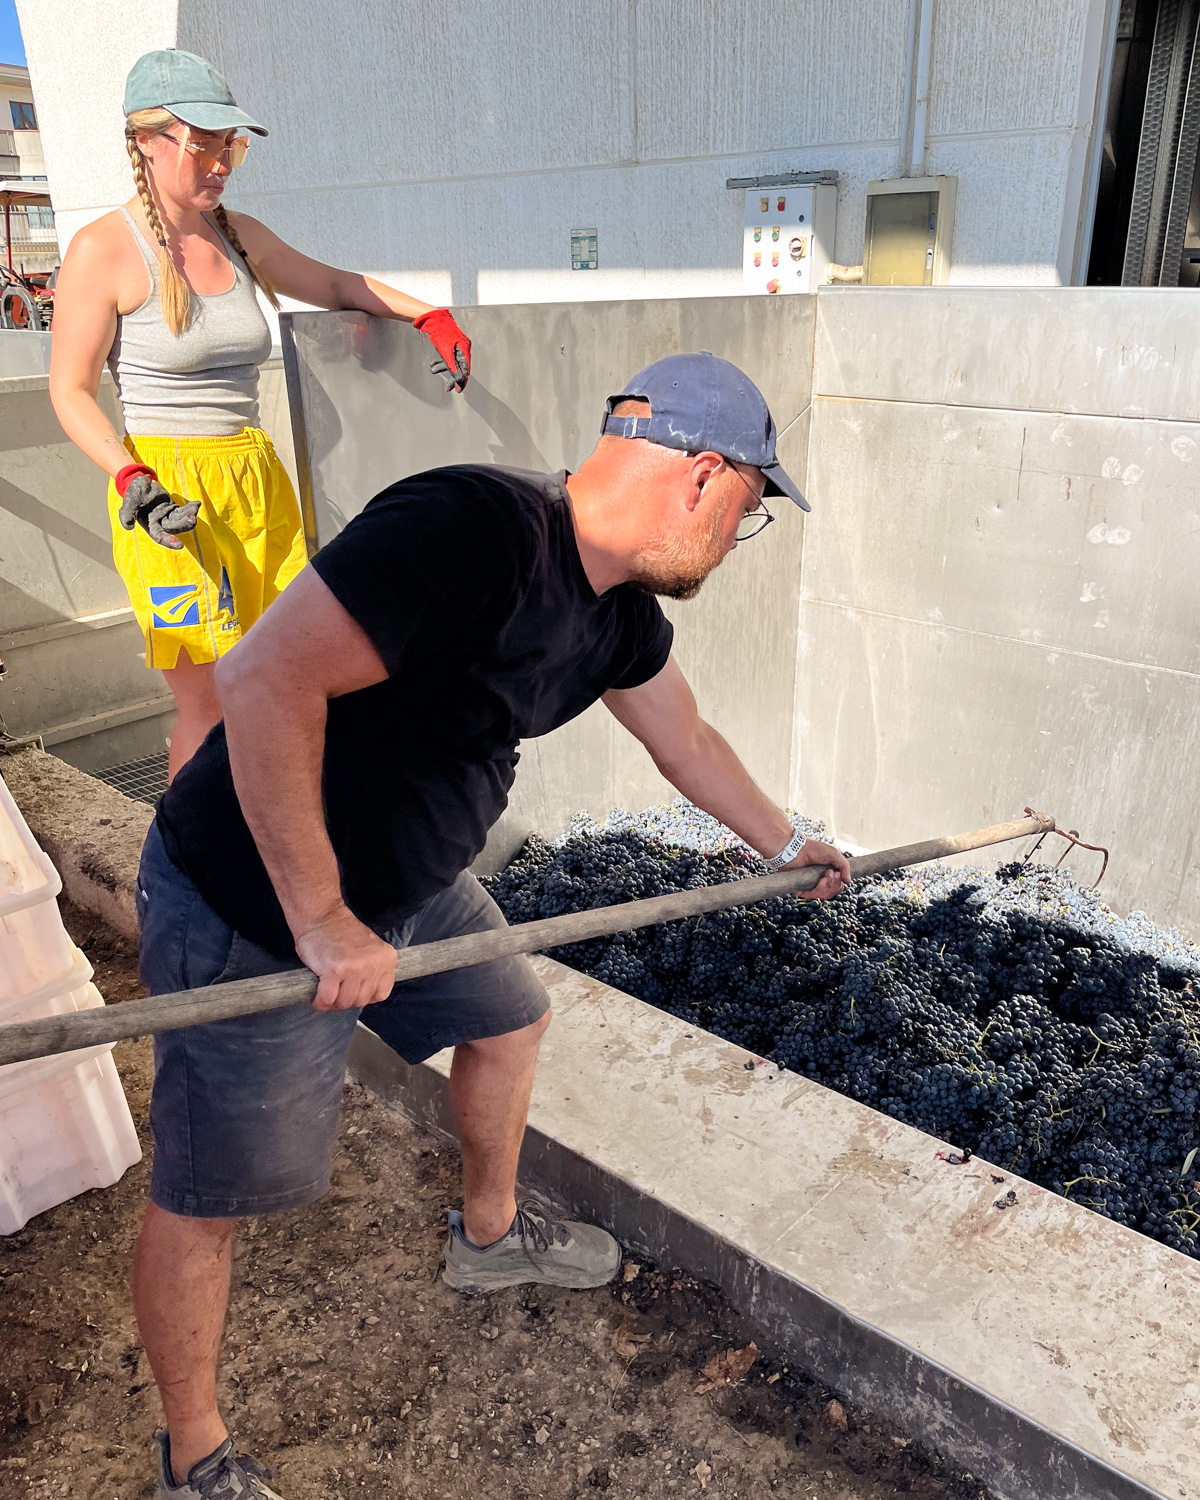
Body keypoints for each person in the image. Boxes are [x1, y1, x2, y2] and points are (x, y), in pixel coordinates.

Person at [135, 351, 852, 1497]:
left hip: (407, 887)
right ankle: (193, 1455)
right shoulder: (471, 528)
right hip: (256, 899)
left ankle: (487, 1237)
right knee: (214, 1195)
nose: (736, 542)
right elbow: (265, 676)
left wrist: (780, 845)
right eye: (750, 516)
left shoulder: (615, 611)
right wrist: (319, 921)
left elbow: (687, 741)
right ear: (705, 478)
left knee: (510, 1020)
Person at [49, 49, 471, 780]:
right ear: (146, 139)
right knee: (209, 706)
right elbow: (71, 390)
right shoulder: (103, 250)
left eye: (230, 147)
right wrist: (130, 479)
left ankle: (273, 850)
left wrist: (426, 314)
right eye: (204, 144)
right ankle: (188, 872)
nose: (221, 164)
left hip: (255, 480)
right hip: (166, 502)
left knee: (280, 680)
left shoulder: (236, 235)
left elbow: (333, 282)